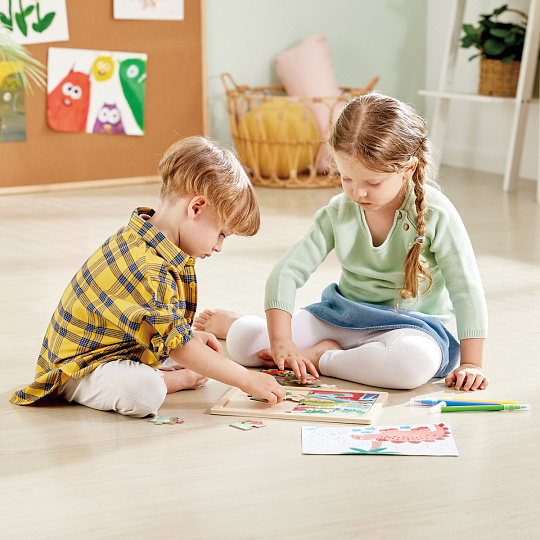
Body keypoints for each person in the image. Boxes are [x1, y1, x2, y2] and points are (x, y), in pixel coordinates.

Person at [195, 93, 489, 392]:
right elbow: (286, 273)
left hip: (412, 329)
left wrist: (471, 363)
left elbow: (465, 288)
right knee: (245, 345)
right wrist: (282, 344)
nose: (358, 193)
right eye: (347, 179)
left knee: (411, 367)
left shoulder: (437, 213)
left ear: (408, 169)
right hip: (342, 317)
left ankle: (322, 356)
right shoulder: (338, 211)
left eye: (372, 182)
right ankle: (242, 324)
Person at [9, 136, 285, 417]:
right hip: (79, 368)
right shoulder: (148, 267)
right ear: (196, 208)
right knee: (147, 392)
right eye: (221, 234)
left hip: (121, 346)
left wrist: (187, 337)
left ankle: (166, 368)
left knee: (196, 352)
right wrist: (245, 379)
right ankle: (168, 381)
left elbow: (153, 319)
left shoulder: (150, 239)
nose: (218, 246)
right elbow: (179, 348)